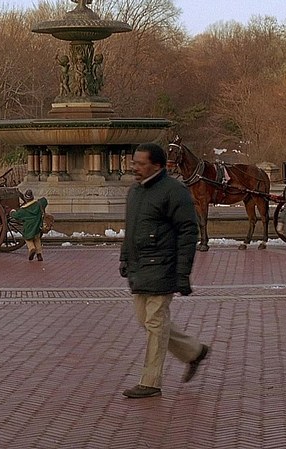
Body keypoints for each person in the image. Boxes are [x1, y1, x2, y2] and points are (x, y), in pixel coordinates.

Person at [119, 143, 210, 399]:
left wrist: (182, 274)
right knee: (146, 321)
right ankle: (194, 351)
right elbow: (131, 229)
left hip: (162, 266)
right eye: (134, 162)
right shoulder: (135, 191)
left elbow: (188, 232)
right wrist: (125, 258)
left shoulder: (174, 191)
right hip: (140, 267)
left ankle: (150, 381)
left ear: (157, 165)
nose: (135, 167)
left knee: (155, 323)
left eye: (141, 163)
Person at [10, 189, 48, 261]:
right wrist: (37, 201)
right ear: (32, 197)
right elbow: (44, 200)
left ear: (25, 199)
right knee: (37, 240)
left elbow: (16, 215)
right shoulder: (38, 204)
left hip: (28, 227)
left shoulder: (23, 210)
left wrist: (12, 212)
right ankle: (39, 254)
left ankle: (31, 249)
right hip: (37, 226)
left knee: (28, 239)